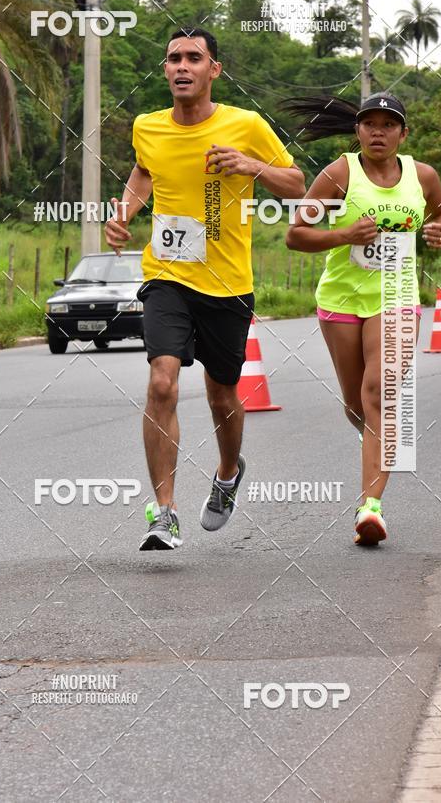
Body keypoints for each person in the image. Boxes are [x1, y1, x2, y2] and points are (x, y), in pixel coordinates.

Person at [105, 27, 305, 551]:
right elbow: (143, 173)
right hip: (166, 273)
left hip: (228, 282)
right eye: (173, 58)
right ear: (165, 68)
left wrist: (251, 166)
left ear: (213, 69)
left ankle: (226, 472)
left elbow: (297, 184)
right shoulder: (146, 125)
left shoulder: (246, 124)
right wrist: (124, 211)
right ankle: (164, 511)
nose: (182, 66)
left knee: (221, 395)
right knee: (163, 382)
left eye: (194, 58)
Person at [285, 91, 441, 545]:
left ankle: (370, 508)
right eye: (369, 124)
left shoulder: (422, 175)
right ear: (357, 130)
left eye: (388, 124)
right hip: (341, 299)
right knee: (357, 404)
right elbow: (296, 235)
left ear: (403, 132)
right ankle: (377, 443)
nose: (378, 132)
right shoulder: (339, 174)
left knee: (380, 390)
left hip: (395, 297)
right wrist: (344, 233)